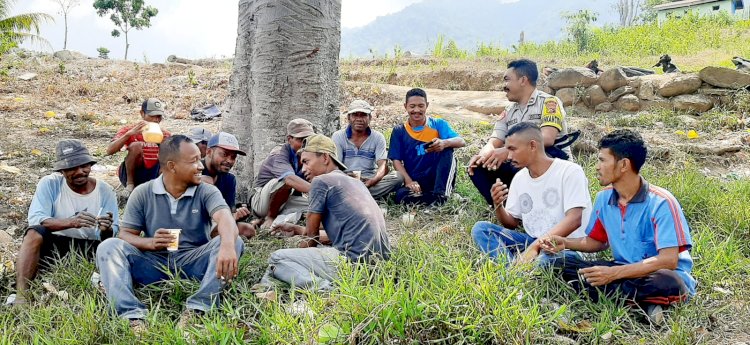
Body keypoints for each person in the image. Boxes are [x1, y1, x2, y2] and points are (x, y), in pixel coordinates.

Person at [539, 129, 696, 323]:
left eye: (602, 160)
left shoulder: (662, 203)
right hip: (621, 271)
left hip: (656, 275)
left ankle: (608, 296)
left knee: (668, 281)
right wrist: (565, 242)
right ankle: (642, 304)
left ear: (623, 165)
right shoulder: (603, 198)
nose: (597, 167)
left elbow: (668, 261)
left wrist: (613, 274)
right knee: (555, 263)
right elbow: (597, 241)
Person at [96, 135, 243, 331]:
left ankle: (198, 309)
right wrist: (150, 243)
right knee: (109, 247)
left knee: (235, 240)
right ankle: (131, 316)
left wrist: (226, 245)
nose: (200, 166)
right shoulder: (143, 192)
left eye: (200, 159)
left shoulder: (206, 191)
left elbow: (225, 218)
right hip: (153, 263)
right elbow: (125, 235)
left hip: (193, 262)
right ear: (172, 166)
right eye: (193, 161)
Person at [258, 134, 391, 291]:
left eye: (306, 162)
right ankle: (266, 286)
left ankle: (325, 290)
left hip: (353, 265)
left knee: (277, 259)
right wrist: (298, 230)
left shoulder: (320, 182)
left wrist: (295, 254)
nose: (303, 169)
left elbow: (311, 240)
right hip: (380, 265)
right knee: (281, 267)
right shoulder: (355, 183)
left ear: (326, 158)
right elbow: (347, 234)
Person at [14, 139, 119, 305]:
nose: (79, 172)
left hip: (89, 247)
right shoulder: (50, 184)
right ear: (61, 170)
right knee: (33, 233)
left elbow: (111, 236)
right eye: (71, 168)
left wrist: (106, 228)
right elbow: (37, 220)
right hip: (56, 244)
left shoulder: (105, 190)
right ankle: (21, 295)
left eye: (84, 166)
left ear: (90, 165)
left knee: (113, 244)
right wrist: (71, 222)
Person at [471, 122, 591, 266]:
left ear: (532, 146)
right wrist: (498, 204)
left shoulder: (570, 171)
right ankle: (513, 270)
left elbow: (574, 220)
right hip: (533, 242)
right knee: (481, 229)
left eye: (512, 149)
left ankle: (516, 272)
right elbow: (511, 223)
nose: (508, 156)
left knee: (546, 260)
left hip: (567, 246)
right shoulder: (520, 178)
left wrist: (535, 248)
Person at [468, 59, 572, 206]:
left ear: (523, 80)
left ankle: (537, 206)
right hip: (520, 163)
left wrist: (508, 150)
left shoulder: (549, 102)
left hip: (552, 164)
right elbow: (494, 141)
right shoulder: (508, 112)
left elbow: (547, 138)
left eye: (507, 80)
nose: (504, 86)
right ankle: (507, 209)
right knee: (479, 166)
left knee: (526, 156)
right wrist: (483, 155)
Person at [388, 88, 466, 205]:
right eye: (412, 106)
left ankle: (441, 194)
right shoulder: (399, 131)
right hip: (416, 179)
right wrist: (409, 182)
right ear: (405, 106)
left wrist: (444, 143)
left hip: (437, 177)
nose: (417, 110)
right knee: (400, 196)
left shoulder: (438, 124)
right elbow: (396, 161)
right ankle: (434, 199)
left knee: (447, 149)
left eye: (421, 106)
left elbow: (461, 141)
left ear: (427, 105)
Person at [251, 118, 315, 229]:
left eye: (308, 140)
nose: (305, 144)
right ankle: (270, 217)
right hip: (260, 202)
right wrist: (318, 189)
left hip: (284, 200)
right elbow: (289, 180)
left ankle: (272, 220)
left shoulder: (305, 154)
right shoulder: (279, 153)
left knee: (315, 206)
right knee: (286, 182)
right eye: (301, 140)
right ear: (289, 139)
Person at [332, 99, 403, 198]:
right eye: (355, 115)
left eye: (363, 115)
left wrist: (372, 181)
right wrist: (347, 178)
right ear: (348, 117)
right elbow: (335, 167)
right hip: (347, 179)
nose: (359, 119)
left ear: (370, 118)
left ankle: (354, 196)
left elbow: (383, 166)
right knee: (332, 180)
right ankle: (364, 196)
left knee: (398, 177)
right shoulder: (338, 136)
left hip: (369, 179)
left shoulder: (378, 137)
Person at [107, 98, 172, 198]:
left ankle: (159, 187)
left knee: (168, 158)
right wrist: (128, 135)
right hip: (134, 172)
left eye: (159, 117)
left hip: (153, 174)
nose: (156, 120)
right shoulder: (130, 130)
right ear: (142, 113)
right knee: (136, 146)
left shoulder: (165, 134)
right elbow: (109, 151)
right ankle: (130, 185)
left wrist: (163, 144)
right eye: (152, 116)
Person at [200, 132, 256, 239]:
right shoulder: (194, 171)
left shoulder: (229, 179)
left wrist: (237, 216)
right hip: (193, 222)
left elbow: (229, 213)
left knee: (248, 230)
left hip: (216, 222)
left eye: (233, 157)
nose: (229, 161)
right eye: (224, 154)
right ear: (209, 152)